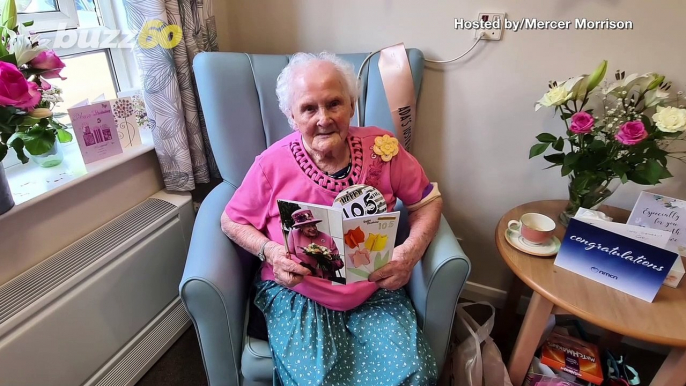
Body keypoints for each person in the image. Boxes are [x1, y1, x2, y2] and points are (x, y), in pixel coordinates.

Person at [221, 51, 443, 386]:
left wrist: (410, 252)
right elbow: (231, 220)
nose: (323, 118)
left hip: (374, 286)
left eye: (334, 103)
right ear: (292, 117)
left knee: (413, 374)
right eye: (309, 108)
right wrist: (271, 253)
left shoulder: (383, 148)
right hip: (300, 291)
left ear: (351, 106)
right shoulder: (270, 164)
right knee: (316, 380)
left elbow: (427, 202)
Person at [286, 208, 344, 282]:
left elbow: (339, 263)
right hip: (305, 279)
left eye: (313, 225)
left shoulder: (327, 238)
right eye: (308, 226)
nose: (313, 228)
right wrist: (302, 265)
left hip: (327, 280)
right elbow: (290, 254)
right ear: (301, 227)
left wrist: (328, 264)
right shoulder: (294, 235)